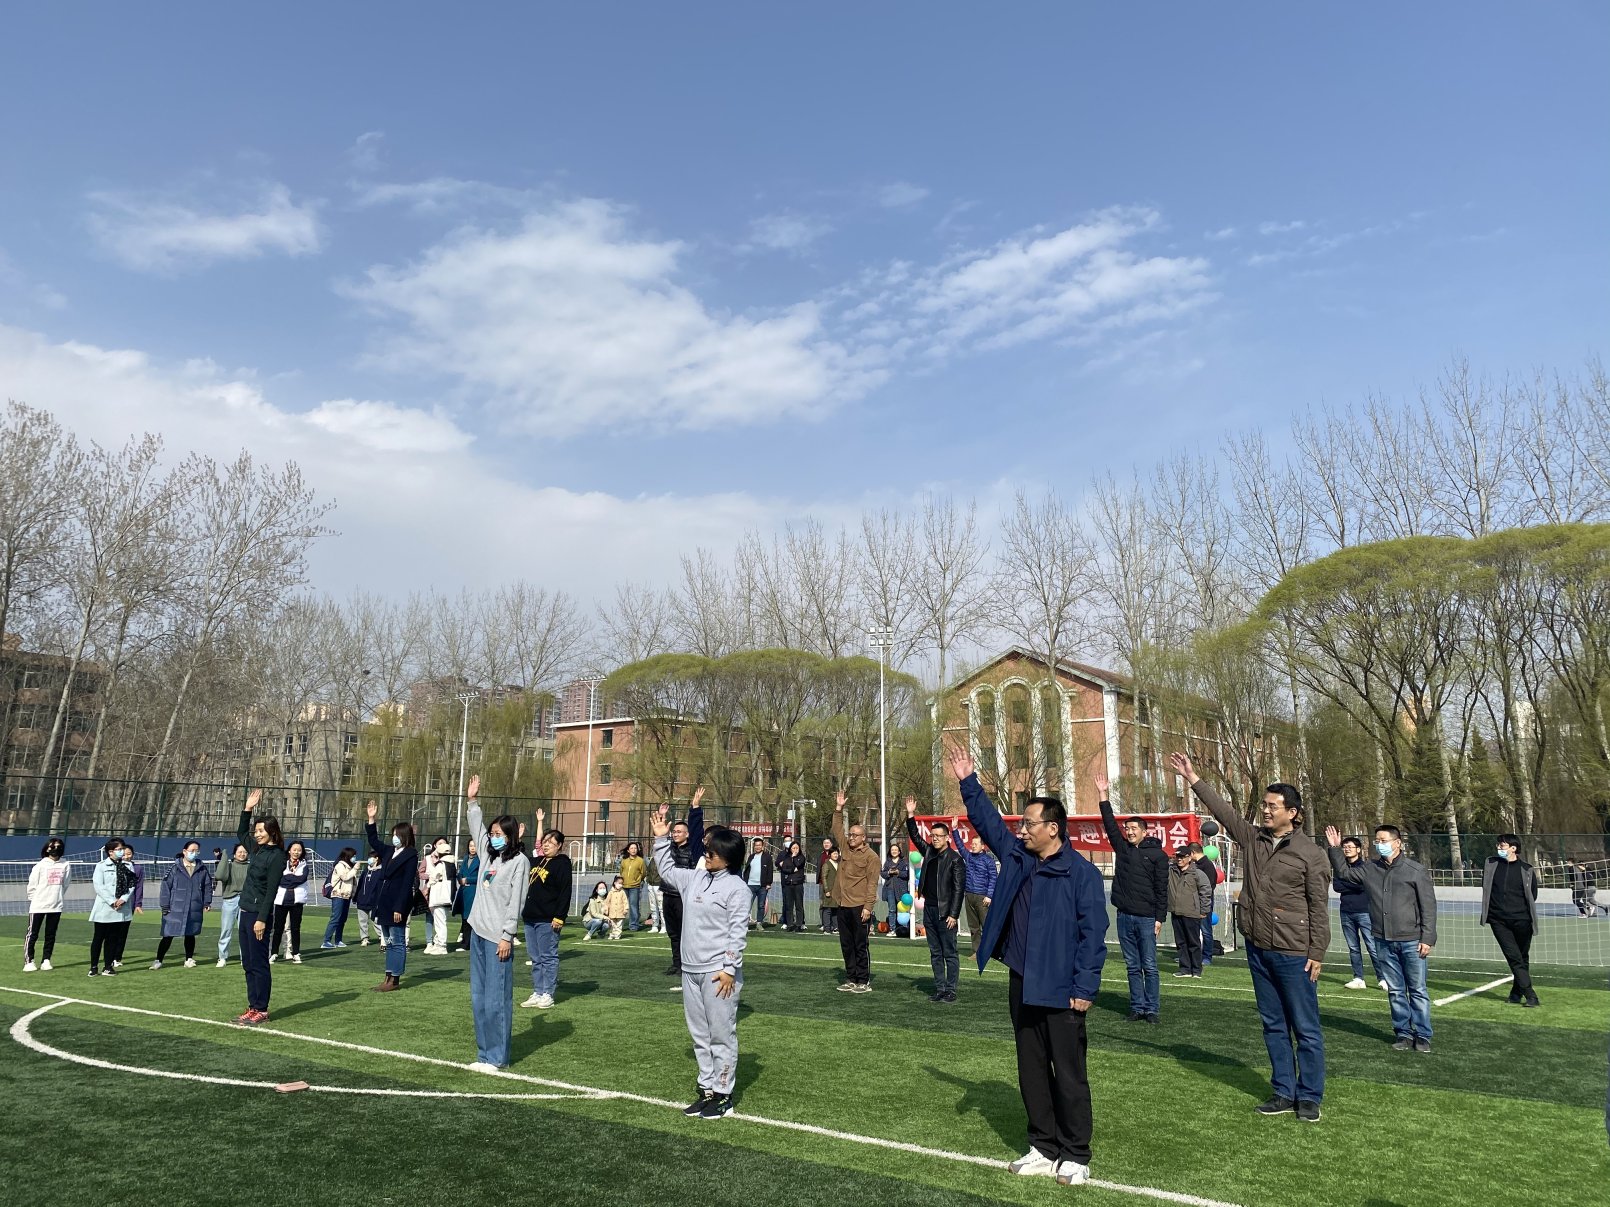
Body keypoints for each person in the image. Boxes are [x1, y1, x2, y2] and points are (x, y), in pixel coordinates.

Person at [949, 744, 1106, 1186]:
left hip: (1063, 988)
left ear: (1053, 829)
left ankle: (1075, 1153)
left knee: (1069, 1073)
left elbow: (1093, 937)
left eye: (1029, 824)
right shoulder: (1018, 857)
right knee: (1031, 1068)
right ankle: (1043, 1145)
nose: (1021, 831)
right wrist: (968, 782)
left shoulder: (1081, 874)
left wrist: (1085, 988)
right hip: (1023, 980)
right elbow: (988, 822)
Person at [1172, 752, 1329, 1123]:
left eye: (1273, 806)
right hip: (1258, 948)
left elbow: (1319, 907)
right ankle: (1283, 1091)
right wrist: (1194, 779)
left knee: (1305, 1028)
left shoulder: (1311, 854)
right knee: (1273, 1025)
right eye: (1264, 805)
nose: (1266, 811)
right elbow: (1225, 813)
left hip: (1294, 952)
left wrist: (1317, 952)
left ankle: (1309, 1097)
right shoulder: (1254, 839)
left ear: (1293, 813)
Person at [650, 802, 751, 1119]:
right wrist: (660, 839)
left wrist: (729, 969)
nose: (706, 855)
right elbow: (667, 871)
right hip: (690, 971)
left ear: (728, 857)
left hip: (718, 974)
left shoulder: (737, 889)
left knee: (721, 1034)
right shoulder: (695, 878)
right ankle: (707, 1089)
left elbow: (737, 933)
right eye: (706, 850)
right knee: (699, 1035)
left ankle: (723, 1094)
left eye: (712, 852)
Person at [1325, 824, 1438, 1053]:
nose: (1379, 844)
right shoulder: (1370, 869)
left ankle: (1422, 1035)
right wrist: (1335, 849)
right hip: (1383, 939)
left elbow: (1428, 906)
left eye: (1383, 840)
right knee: (1395, 990)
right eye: (1377, 840)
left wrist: (1427, 938)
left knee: (1417, 989)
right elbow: (1345, 873)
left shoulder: (1415, 870)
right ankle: (1403, 1033)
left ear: (1397, 843)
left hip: (1411, 940)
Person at [462, 775, 529, 1072]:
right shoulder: (489, 857)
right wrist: (472, 801)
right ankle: (483, 1054)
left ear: (511, 836)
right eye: (492, 833)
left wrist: (507, 935)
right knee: (478, 999)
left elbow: (516, 902)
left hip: (497, 939)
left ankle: (498, 1058)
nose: (493, 837)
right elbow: (476, 828)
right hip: (478, 932)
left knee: (496, 1000)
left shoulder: (519, 862)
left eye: (500, 833)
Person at [1094, 772, 1168, 1024]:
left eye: (1134, 828)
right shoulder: (1123, 848)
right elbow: (1109, 824)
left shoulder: (1157, 856)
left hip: (1147, 918)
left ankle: (1152, 1009)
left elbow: (1162, 889)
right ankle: (1137, 1007)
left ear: (1144, 831)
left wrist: (1159, 918)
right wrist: (1102, 794)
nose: (1129, 831)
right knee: (1132, 966)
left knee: (1150, 965)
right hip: (1124, 916)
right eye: (1127, 828)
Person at [905, 798, 967, 1002]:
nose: (935, 839)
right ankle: (940, 988)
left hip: (945, 913)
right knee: (935, 952)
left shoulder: (955, 859)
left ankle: (951, 990)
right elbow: (915, 836)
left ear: (947, 838)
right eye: (933, 836)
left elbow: (958, 890)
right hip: (929, 910)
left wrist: (953, 914)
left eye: (939, 836)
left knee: (950, 952)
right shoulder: (929, 852)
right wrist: (911, 815)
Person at [235, 790, 288, 1024]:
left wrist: (262, 919)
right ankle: (252, 1006)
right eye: (255, 831)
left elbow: (271, 891)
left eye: (260, 831)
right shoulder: (257, 850)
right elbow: (240, 833)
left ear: (272, 832)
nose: (256, 835)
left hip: (258, 915)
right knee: (248, 963)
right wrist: (247, 809)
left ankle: (262, 1009)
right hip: (245, 912)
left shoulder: (277, 857)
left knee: (259, 963)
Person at [364, 799, 420, 993]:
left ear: (404, 836)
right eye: (393, 835)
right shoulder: (389, 851)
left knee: (397, 941)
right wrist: (371, 820)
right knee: (388, 941)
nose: (394, 838)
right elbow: (374, 841)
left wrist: (399, 907)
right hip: (384, 902)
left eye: (397, 835)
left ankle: (394, 978)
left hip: (397, 904)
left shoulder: (411, 854)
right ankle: (387, 976)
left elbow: (406, 884)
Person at [830, 791, 881, 993]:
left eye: (855, 835)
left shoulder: (871, 857)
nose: (851, 837)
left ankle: (863, 980)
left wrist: (868, 907)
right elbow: (836, 829)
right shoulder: (845, 847)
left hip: (860, 906)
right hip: (842, 904)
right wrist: (839, 808)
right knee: (846, 944)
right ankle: (850, 978)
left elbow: (872, 884)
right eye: (850, 834)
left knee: (860, 945)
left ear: (864, 838)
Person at [520, 808, 571, 1008]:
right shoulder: (537, 860)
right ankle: (538, 991)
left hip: (548, 918)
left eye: (551, 842)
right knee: (535, 958)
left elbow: (565, 892)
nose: (547, 844)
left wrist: (559, 916)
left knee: (548, 957)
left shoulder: (562, 863)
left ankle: (548, 993)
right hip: (530, 917)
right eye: (545, 841)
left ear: (559, 846)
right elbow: (520, 858)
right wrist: (517, 839)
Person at [1481, 834, 1540, 1007]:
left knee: (1522, 957)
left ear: (1513, 848)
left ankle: (1516, 994)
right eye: (1499, 845)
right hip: (1498, 920)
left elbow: (1532, 895)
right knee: (1513, 957)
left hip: (1522, 920)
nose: (1499, 848)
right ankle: (1531, 995)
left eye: (1503, 845)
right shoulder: (1491, 864)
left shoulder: (1527, 869)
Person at [1333, 836, 1388, 991]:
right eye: (1344, 847)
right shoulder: (1340, 867)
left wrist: (1349, 883)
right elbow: (1337, 886)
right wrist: (1353, 883)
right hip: (1346, 912)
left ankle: (1383, 978)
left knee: (1372, 946)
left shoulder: (1365, 867)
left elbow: (1363, 886)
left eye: (1350, 847)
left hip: (1364, 912)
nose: (1347, 849)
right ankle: (1358, 978)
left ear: (1358, 849)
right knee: (1353, 948)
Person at [662, 789, 706, 975]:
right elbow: (660, 837)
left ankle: (687, 963)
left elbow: (697, 831)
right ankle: (676, 963)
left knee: (685, 932)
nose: (675, 834)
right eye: (674, 831)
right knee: (673, 933)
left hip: (683, 897)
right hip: (668, 894)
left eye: (679, 831)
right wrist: (662, 817)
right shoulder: (669, 847)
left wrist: (695, 808)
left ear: (687, 834)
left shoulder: (694, 850)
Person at [151, 841, 215, 969]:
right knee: (168, 935)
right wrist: (165, 905)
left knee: (190, 934)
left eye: (197, 851)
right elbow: (165, 887)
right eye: (192, 850)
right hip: (175, 908)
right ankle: (158, 960)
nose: (194, 853)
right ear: (184, 851)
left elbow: (208, 886)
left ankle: (189, 959)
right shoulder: (174, 868)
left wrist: (207, 902)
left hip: (194, 907)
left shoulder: (202, 868)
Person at [89, 838, 134, 977]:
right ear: (110, 852)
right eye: (119, 849)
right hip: (104, 908)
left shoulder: (128, 866)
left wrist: (123, 899)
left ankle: (108, 966)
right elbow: (99, 886)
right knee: (99, 937)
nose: (122, 852)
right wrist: (112, 901)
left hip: (120, 908)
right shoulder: (101, 866)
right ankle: (94, 967)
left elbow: (132, 884)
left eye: (122, 849)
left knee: (113, 938)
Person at [23, 838, 70, 973]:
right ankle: (29, 961)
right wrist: (36, 900)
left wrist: (57, 897)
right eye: (52, 847)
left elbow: (65, 883)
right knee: (32, 934)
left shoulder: (65, 865)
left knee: (50, 934)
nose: (55, 849)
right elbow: (32, 886)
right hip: (38, 905)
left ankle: (46, 959)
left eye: (58, 846)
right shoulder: (40, 866)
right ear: (47, 849)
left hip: (56, 905)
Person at [1167, 845, 1212, 978]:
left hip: (1192, 913)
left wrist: (1204, 910)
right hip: (1176, 912)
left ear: (1189, 857)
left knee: (1194, 942)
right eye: (1177, 856)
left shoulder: (1197, 873)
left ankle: (1196, 970)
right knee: (1181, 942)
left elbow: (1206, 891)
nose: (1179, 859)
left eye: (1182, 857)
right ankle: (1185, 969)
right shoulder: (1171, 871)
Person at [270, 841, 310, 963]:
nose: (296, 852)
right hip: (281, 900)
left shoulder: (304, 865)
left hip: (297, 901)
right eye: (294, 850)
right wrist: (291, 879)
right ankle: (274, 953)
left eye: (299, 850)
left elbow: (301, 879)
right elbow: (280, 879)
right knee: (278, 928)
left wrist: (289, 879)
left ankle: (296, 953)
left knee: (295, 928)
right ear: (289, 850)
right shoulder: (282, 863)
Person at [958, 828, 998, 951]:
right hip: (969, 895)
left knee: (986, 925)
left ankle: (990, 950)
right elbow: (960, 846)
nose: (973, 846)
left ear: (982, 846)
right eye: (972, 844)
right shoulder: (969, 857)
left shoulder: (989, 860)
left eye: (976, 844)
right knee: (973, 927)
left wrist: (989, 896)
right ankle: (977, 951)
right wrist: (954, 830)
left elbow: (993, 878)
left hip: (982, 897)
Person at [215, 843, 249, 966]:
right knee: (226, 930)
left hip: (246, 901)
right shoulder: (229, 866)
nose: (242, 854)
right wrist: (224, 857)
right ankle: (222, 957)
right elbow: (219, 876)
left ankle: (245, 957)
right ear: (234, 854)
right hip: (230, 901)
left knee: (245, 931)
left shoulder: (250, 867)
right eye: (240, 852)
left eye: (245, 852)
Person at [423, 838, 456, 956]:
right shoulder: (452, 863)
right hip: (447, 895)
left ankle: (441, 946)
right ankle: (438, 944)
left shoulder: (441, 864)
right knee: (441, 921)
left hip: (439, 896)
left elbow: (433, 877)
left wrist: (427, 888)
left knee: (440, 922)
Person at [321, 847, 359, 949]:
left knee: (342, 919)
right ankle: (326, 941)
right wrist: (355, 869)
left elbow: (352, 883)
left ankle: (338, 940)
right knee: (336, 918)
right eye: (353, 856)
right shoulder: (340, 865)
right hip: (338, 894)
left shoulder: (350, 867)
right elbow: (345, 877)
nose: (354, 858)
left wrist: (353, 895)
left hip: (346, 896)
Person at [1189, 842, 1218, 964]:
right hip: (1193, 902)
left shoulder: (1207, 865)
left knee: (1205, 930)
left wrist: (1203, 903)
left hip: (1204, 902)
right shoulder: (1194, 865)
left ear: (1193, 853)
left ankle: (1207, 956)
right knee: (1193, 930)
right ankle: (1192, 955)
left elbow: (1210, 886)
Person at [880, 839, 909, 937]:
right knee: (892, 909)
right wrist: (889, 872)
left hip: (901, 889)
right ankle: (892, 929)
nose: (894, 851)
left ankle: (904, 928)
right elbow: (882, 873)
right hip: (890, 889)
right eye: (892, 850)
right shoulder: (887, 863)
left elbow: (907, 874)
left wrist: (898, 872)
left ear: (899, 851)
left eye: (896, 850)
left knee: (903, 909)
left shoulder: (904, 862)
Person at [742, 839, 773, 928]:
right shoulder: (751, 857)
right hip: (750, 885)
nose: (757, 847)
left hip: (762, 886)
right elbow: (747, 870)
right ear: (754, 846)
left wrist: (768, 883)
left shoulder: (767, 857)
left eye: (759, 845)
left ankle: (759, 923)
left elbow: (770, 871)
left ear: (762, 846)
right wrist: (745, 882)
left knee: (761, 905)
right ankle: (744, 923)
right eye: (756, 845)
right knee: (748, 905)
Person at [776, 840, 807, 931]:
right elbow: (784, 869)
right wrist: (792, 870)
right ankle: (789, 924)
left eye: (797, 848)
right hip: (788, 884)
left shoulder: (801, 857)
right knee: (789, 905)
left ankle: (799, 924)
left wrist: (794, 858)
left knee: (799, 905)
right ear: (790, 849)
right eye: (793, 848)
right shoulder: (786, 858)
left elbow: (798, 865)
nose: (795, 850)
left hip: (798, 884)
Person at [456, 840, 481, 950]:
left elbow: (481, 876)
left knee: (471, 918)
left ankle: (469, 943)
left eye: (474, 846)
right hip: (464, 892)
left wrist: (468, 880)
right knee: (465, 918)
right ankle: (465, 942)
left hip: (474, 891)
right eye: (470, 845)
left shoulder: (480, 859)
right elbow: (460, 873)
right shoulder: (466, 858)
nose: (472, 848)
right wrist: (460, 879)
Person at [354, 852, 382, 946]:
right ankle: (364, 938)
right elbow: (360, 884)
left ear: (376, 858)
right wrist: (356, 897)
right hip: (362, 900)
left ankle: (382, 937)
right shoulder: (366, 870)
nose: (369, 859)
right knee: (362, 921)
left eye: (371, 857)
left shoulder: (381, 871)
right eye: (369, 857)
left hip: (374, 901)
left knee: (376, 920)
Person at [619, 841, 646, 932]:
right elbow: (621, 871)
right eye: (631, 848)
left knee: (633, 906)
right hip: (624, 886)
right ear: (628, 850)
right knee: (621, 905)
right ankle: (618, 924)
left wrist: (637, 880)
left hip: (635, 887)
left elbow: (643, 873)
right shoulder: (624, 860)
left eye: (635, 848)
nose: (633, 850)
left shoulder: (640, 860)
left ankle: (634, 925)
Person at [821, 848, 841, 933]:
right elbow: (824, 877)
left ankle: (836, 927)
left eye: (837, 853)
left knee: (835, 909)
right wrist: (826, 890)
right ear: (830, 855)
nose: (836, 855)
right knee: (827, 909)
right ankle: (827, 928)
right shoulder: (827, 864)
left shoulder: (839, 864)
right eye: (834, 853)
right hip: (829, 890)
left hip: (837, 891)